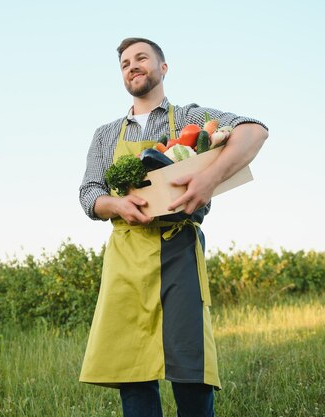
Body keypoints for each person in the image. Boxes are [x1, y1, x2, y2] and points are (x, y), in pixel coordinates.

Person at [78, 37, 268, 417]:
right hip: (127, 257)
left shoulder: (189, 118)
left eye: (141, 58)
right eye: (125, 63)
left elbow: (255, 130)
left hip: (178, 251)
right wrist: (116, 204)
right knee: (133, 377)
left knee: (191, 372)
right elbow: (89, 193)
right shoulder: (105, 134)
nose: (132, 66)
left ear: (162, 68)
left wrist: (209, 179)